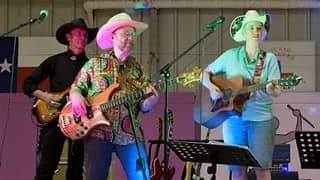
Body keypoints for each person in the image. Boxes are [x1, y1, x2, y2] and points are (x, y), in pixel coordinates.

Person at [69, 12, 159, 180]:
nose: (130, 38)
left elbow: (143, 106)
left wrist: (152, 101)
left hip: (130, 132)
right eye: (126, 34)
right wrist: (75, 96)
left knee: (142, 177)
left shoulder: (138, 69)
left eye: (132, 35)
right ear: (112, 36)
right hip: (98, 132)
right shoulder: (95, 64)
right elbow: (76, 87)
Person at [200, 10, 281, 180]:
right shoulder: (230, 56)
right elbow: (204, 73)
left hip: (261, 120)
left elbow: (277, 89)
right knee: (237, 170)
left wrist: (273, 90)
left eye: (258, 28)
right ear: (243, 32)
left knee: (262, 169)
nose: (255, 32)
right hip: (232, 119)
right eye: (251, 28)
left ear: (262, 32)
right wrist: (212, 88)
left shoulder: (269, 59)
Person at [22, 18, 98, 180]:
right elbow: (28, 83)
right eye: (78, 34)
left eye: (85, 35)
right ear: (68, 37)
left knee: (76, 169)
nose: (82, 38)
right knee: (46, 168)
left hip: (80, 122)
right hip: (54, 120)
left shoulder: (92, 66)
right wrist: (45, 96)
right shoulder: (55, 61)